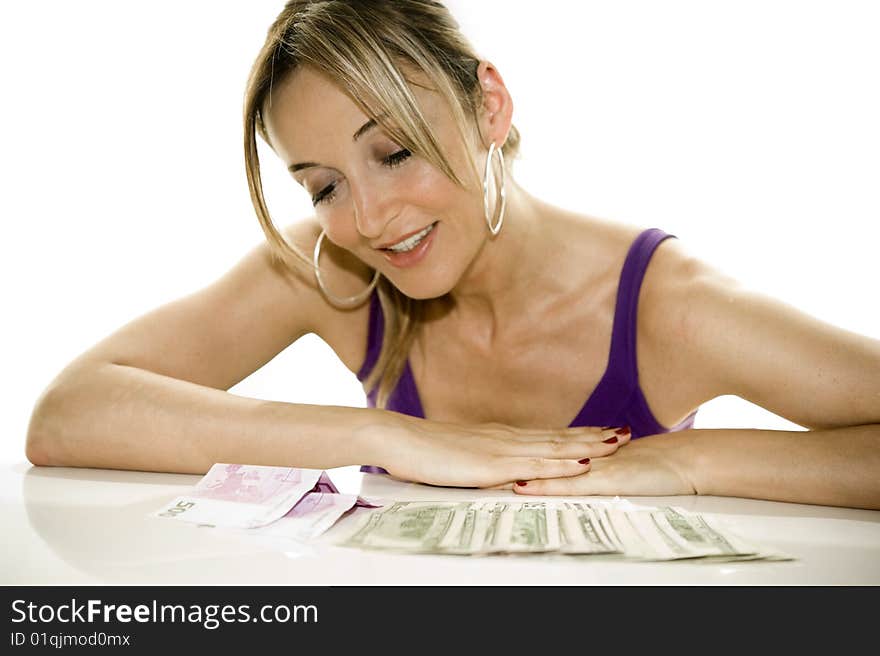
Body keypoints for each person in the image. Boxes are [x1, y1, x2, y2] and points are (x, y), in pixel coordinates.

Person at [25, 0, 880, 509]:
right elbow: (68, 414)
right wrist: (383, 437)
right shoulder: (336, 275)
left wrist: (691, 460)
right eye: (323, 186)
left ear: (488, 106)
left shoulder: (670, 305)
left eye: (393, 153)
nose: (367, 219)